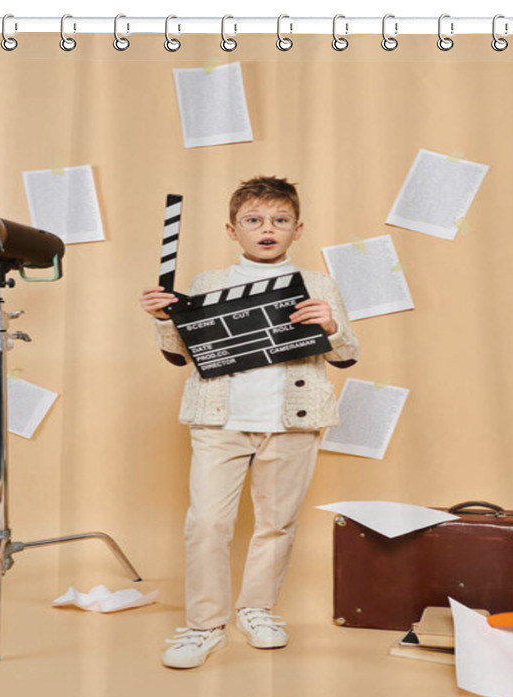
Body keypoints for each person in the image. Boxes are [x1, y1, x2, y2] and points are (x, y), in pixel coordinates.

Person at [139, 176, 360, 669]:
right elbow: (182, 356)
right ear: (232, 229)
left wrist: (331, 325)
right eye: (254, 221)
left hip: (294, 420)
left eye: (280, 221)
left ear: (297, 229)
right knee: (207, 523)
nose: (268, 229)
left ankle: (257, 610)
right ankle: (203, 625)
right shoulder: (206, 283)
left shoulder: (320, 284)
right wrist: (161, 319)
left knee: (276, 523)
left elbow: (348, 355)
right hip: (220, 419)